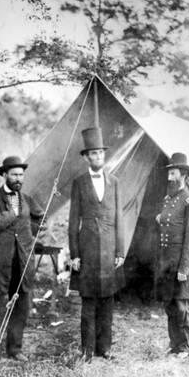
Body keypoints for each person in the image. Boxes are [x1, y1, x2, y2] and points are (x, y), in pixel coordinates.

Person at [0, 156, 44, 369]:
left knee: (22, 308)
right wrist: (11, 214)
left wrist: (35, 229)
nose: (19, 178)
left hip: (23, 264)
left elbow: (32, 224)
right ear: (4, 175)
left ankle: (14, 349)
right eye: (14, 174)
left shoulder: (27, 199)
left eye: (21, 174)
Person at [68, 127, 125, 362]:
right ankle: (87, 350)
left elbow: (120, 218)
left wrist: (120, 251)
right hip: (88, 250)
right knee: (89, 303)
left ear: (104, 156)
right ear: (86, 157)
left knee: (108, 303)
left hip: (110, 251)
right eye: (92, 154)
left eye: (100, 153)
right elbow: (73, 221)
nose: (97, 157)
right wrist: (74, 254)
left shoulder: (115, 182)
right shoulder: (79, 183)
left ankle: (105, 348)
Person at [155, 152, 189, 359]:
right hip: (166, 262)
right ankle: (175, 345)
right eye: (168, 173)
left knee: (182, 307)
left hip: (180, 262)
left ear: (183, 175)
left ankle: (185, 348)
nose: (169, 177)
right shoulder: (167, 200)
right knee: (170, 304)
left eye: (172, 173)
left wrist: (184, 267)